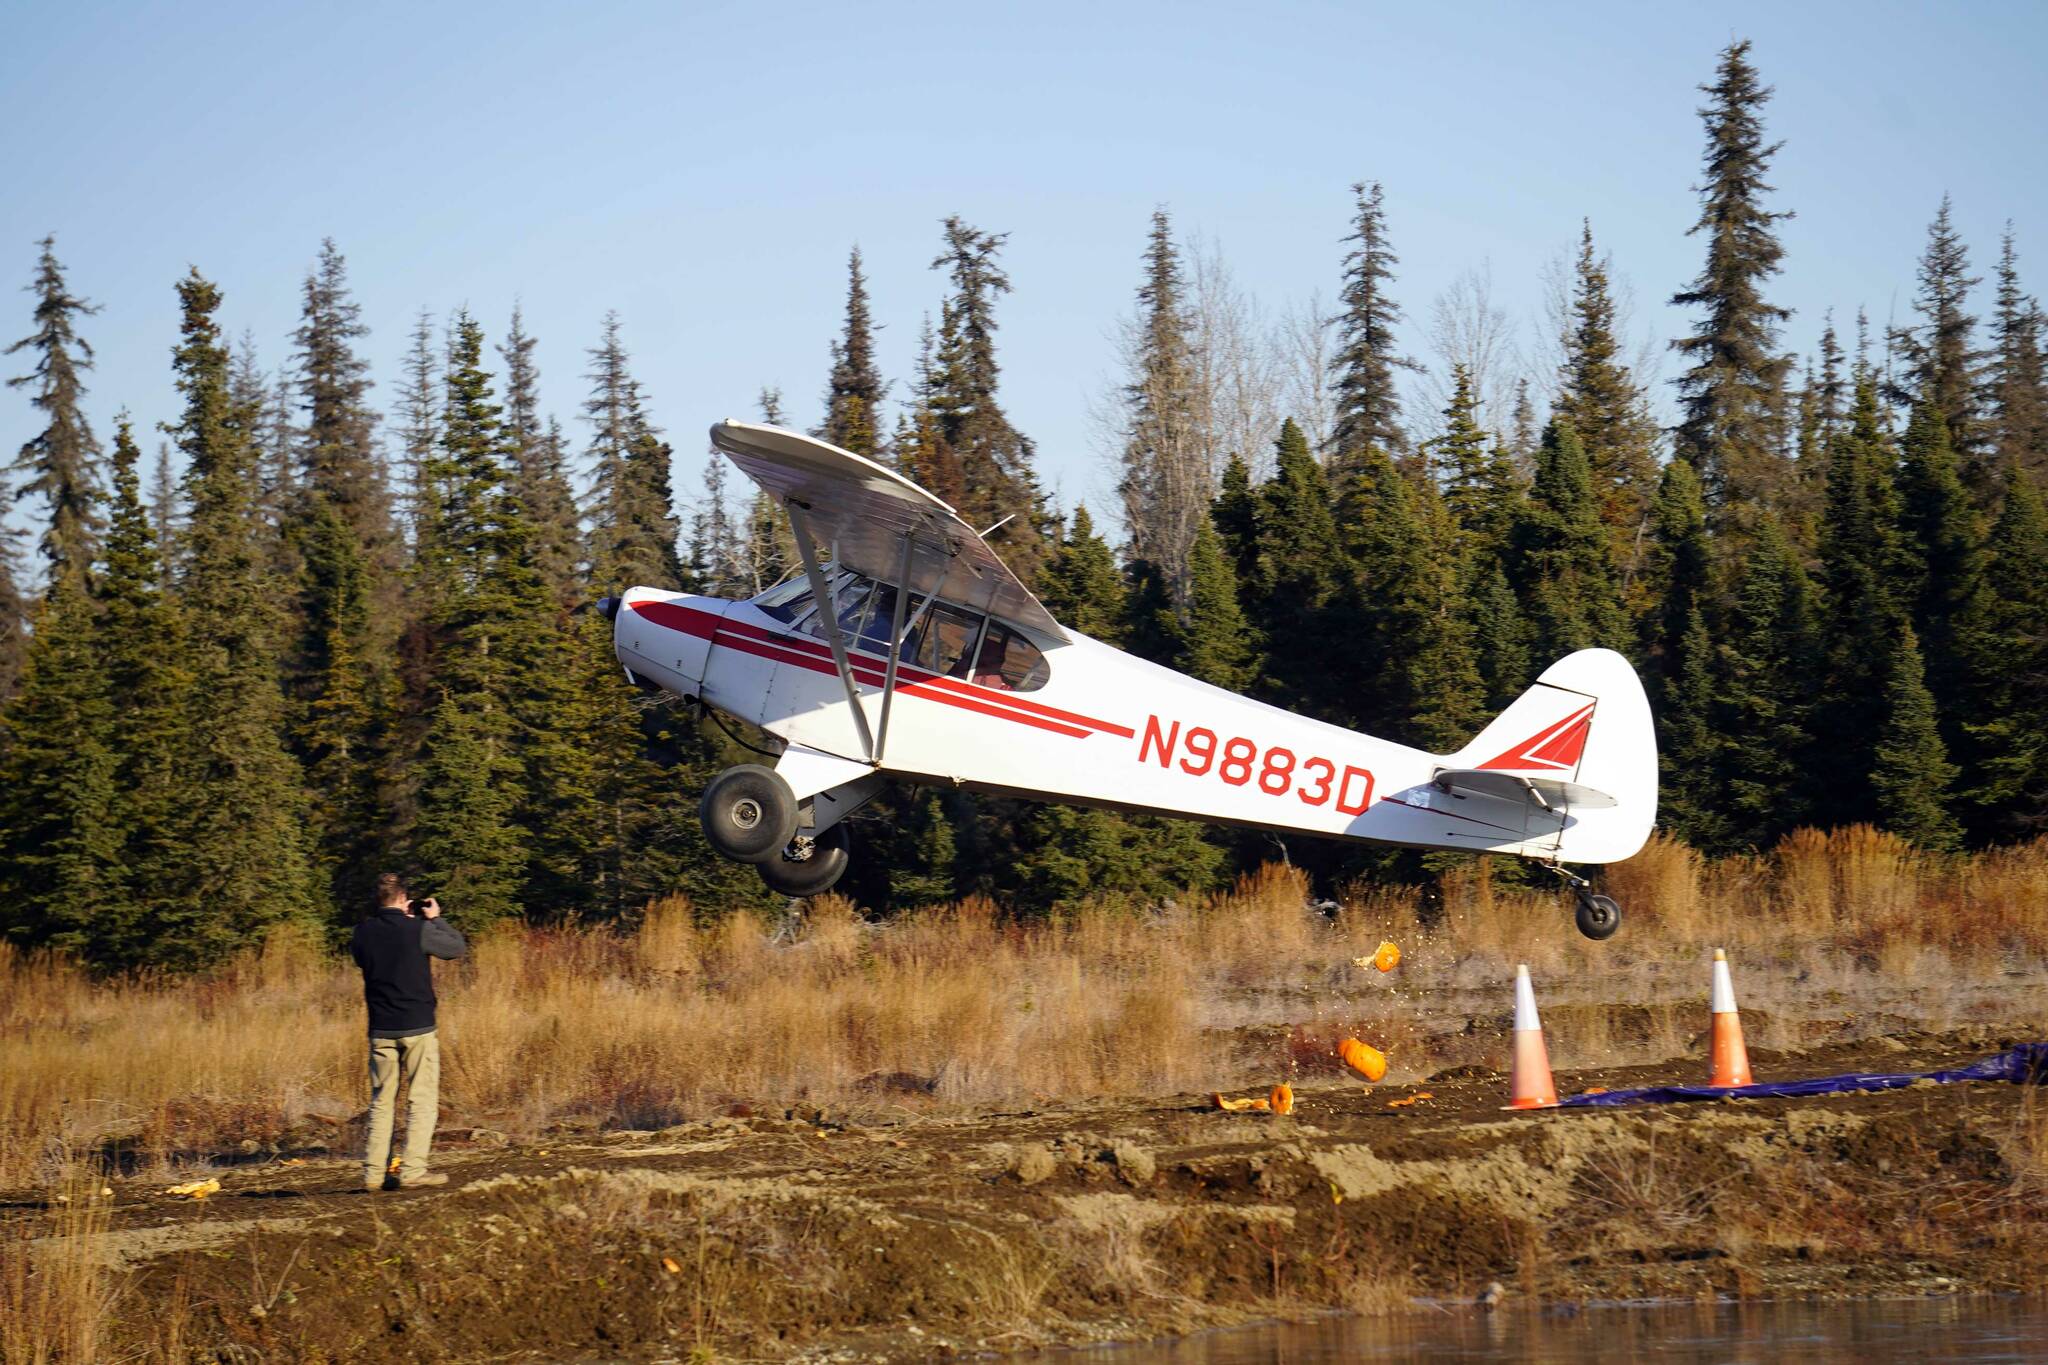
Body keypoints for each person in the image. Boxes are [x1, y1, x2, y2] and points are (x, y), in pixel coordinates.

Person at [350, 872, 466, 1191]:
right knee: (422, 1098)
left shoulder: (362, 933)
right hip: (417, 1025)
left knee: (382, 1101)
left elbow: (362, 958)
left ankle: (374, 1172)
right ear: (403, 899)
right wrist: (435, 920)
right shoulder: (419, 929)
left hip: (381, 1028)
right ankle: (413, 1169)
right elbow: (456, 948)